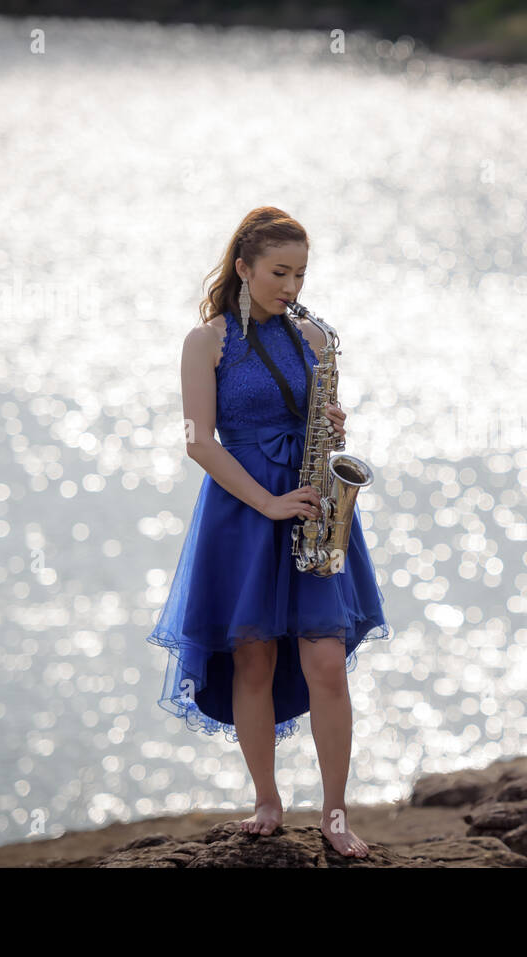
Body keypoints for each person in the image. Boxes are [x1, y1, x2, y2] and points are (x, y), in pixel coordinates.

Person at [146, 206, 391, 858]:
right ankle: (267, 799)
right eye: (280, 271)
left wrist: (334, 424)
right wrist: (268, 502)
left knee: (327, 663)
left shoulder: (311, 337)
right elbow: (199, 442)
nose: (292, 286)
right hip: (245, 509)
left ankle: (335, 814)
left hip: (312, 504)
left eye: (301, 273)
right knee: (253, 658)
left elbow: (322, 426)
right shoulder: (207, 342)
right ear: (244, 267)